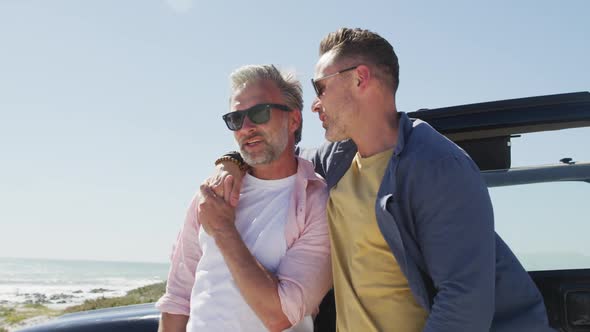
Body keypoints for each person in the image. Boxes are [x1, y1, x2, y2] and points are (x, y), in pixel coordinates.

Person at [211, 28, 554, 331]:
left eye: (321, 87)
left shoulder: (437, 165)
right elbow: (275, 157)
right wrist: (231, 162)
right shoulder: (335, 160)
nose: (316, 105)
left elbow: (464, 302)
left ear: (360, 78)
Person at [156, 64, 332, 332]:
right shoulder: (212, 192)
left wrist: (224, 229)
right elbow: (178, 298)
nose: (246, 127)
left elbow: (282, 315)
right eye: (236, 119)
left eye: (259, 113)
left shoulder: (316, 201)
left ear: (294, 120)